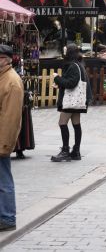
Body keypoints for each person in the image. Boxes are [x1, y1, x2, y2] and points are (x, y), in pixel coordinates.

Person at [51, 44, 92, 162]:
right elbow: (72, 82)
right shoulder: (79, 65)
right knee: (76, 124)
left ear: (69, 53)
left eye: (65, 51)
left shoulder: (73, 66)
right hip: (77, 100)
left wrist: (57, 78)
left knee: (62, 123)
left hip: (71, 100)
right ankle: (76, 151)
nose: (64, 53)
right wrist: (60, 83)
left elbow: (71, 83)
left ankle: (65, 151)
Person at [0, 44, 24, 232]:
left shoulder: (12, 82)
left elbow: (11, 117)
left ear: (5, 59)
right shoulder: (3, 78)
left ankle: (8, 217)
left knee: (4, 180)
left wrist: (5, 144)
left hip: (1, 139)